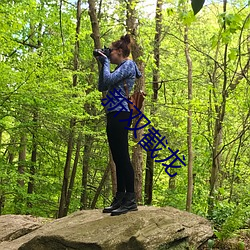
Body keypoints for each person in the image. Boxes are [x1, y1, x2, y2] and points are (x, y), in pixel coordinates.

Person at [95, 34, 142, 216]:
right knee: (117, 157)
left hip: (122, 112)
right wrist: (103, 63)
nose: (109, 54)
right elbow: (102, 85)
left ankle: (130, 199)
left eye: (111, 51)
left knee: (122, 156)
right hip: (113, 112)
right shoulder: (120, 68)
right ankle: (121, 196)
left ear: (120, 51)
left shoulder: (128, 64)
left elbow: (107, 81)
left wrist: (105, 62)